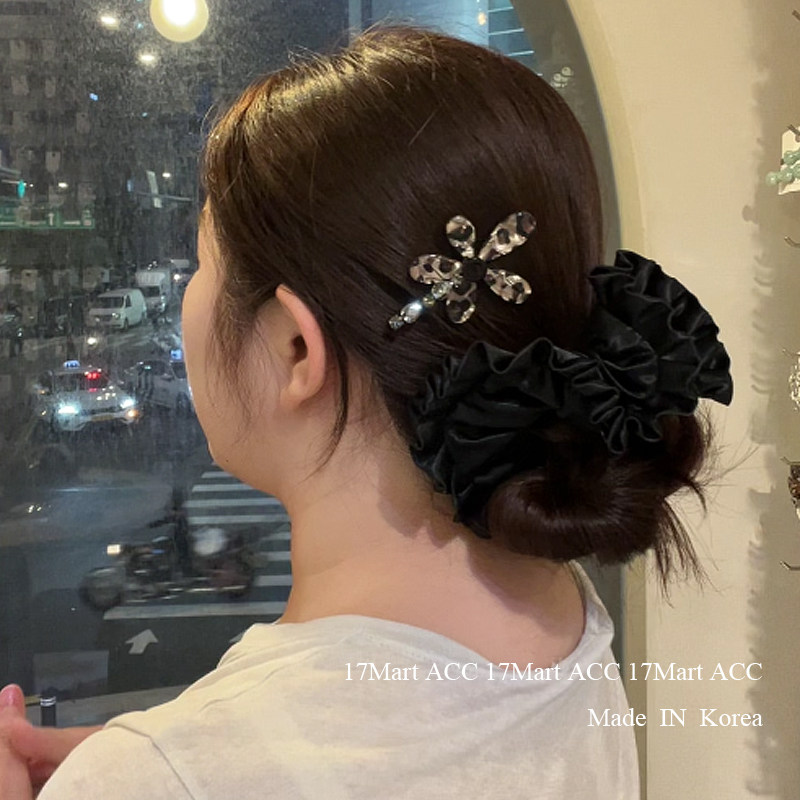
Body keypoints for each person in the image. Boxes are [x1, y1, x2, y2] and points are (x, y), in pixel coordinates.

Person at [0, 26, 732, 799]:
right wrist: (159, 762)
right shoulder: (561, 613)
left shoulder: (162, 778)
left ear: (294, 348)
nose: (188, 294)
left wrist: (148, 772)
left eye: (203, 263)